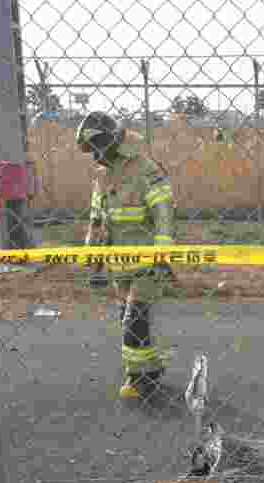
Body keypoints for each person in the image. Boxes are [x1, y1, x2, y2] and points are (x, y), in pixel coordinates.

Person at [76, 111, 177, 400]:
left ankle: (138, 378)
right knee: (128, 319)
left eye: (97, 149)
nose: (95, 156)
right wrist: (92, 254)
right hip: (119, 264)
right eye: (91, 151)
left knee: (135, 318)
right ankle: (150, 368)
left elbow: (164, 212)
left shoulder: (145, 170)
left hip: (148, 263)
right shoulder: (103, 177)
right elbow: (97, 219)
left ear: (111, 144)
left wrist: (162, 254)